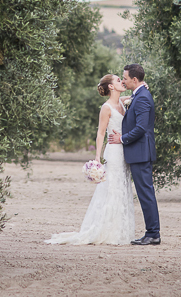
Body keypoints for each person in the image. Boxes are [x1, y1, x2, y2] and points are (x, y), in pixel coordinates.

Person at [45, 74, 135, 245]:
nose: (122, 82)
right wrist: (97, 158)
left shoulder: (123, 102)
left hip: (124, 151)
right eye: (118, 80)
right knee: (112, 189)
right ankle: (107, 230)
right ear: (110, 87)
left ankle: (121, 229)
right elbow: (100, 133)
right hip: (114, 152)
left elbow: (134, 95)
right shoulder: (106, 108)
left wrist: (142, 86)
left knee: (123, 187)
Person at [108, 63, 160, 245]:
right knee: (145, 193)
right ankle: (152, 232)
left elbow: (141, 128)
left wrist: (122, 139)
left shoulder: (143, 97)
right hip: (138, 153)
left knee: (146, 193)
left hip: (141, 153)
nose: (123, 80)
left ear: (135, 79)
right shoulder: (139, 94)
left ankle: (153, 233)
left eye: (125, 78)